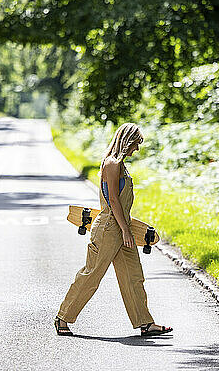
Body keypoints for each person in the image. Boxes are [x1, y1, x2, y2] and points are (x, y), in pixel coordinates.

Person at [54, 123, 173, 337]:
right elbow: (114, 201)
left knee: (133, 276)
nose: (137, 149)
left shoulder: (122, 165)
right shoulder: (112, 163)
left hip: (122, 226)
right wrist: (126, 231)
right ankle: (63, 317)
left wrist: (127, 229)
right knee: (92, 274)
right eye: (136, 143)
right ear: (127, 141)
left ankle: (145, 323)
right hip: (109, 227)